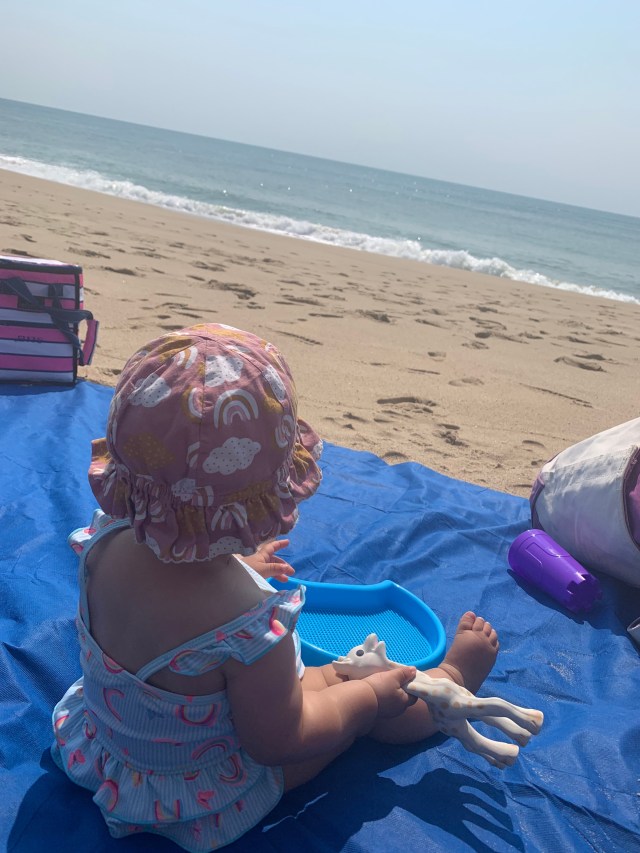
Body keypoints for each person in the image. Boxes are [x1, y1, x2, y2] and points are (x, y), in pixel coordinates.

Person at [52, 323, 500, 851]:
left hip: (106, 746)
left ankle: (370, 686)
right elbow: (277, 742)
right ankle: (444, 683)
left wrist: (239, 563)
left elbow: (175, 584)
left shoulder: (105, 538)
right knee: (357, 691)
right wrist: (363, 701)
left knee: (332, 674)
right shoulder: (245, 625)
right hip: (193, 791)